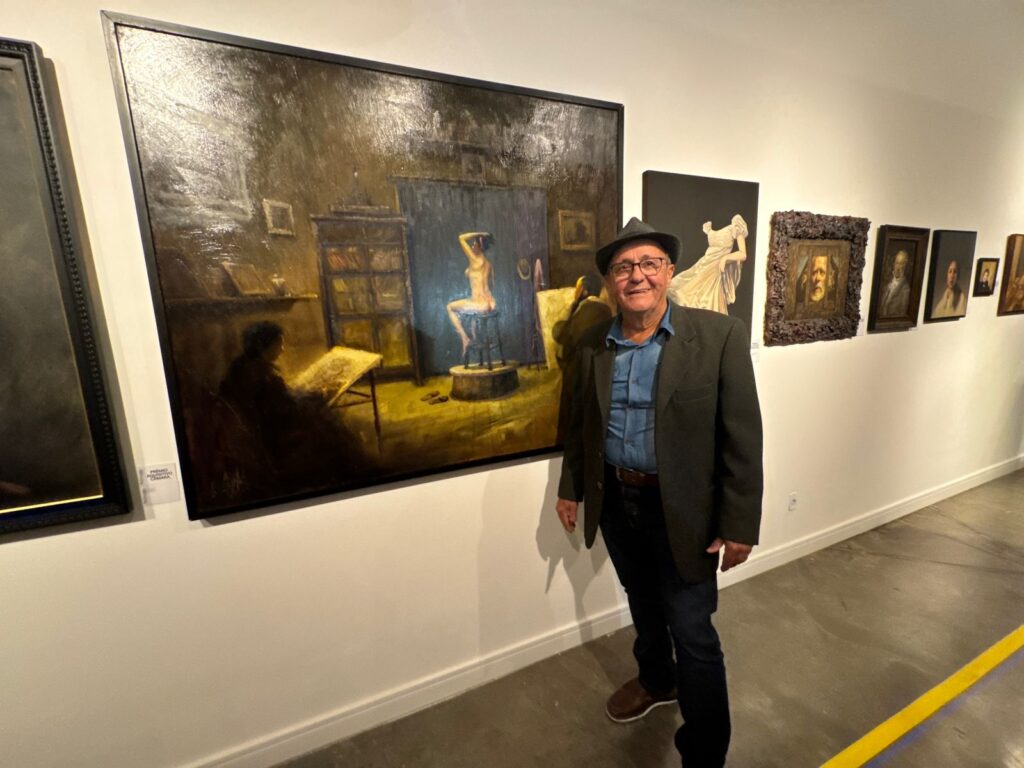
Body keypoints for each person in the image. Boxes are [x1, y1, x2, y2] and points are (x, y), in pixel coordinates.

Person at [556, 218, 763, 768]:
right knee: (643, 604)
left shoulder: (718, 337)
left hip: (686, 513)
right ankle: (655, 680)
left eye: (649, 263)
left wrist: (739, 522)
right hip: (618, 503)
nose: (637, 276)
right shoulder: (593, 345)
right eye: (623, 267)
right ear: (610, 282)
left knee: (693, 632)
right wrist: (571, 488)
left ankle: (704, 753)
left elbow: (742, 437)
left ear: (669, 272)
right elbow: (578, 425)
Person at [667, 213, 748, 315]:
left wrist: (725, 258)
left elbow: (743, 254)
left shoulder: (735, 225)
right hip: (704, 263)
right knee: (684, 292)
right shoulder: (709, 225)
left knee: (708, 301)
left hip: (716, 268)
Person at [447, 231, 497, 353]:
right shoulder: (488, 264)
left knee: (449, 307)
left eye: (475, 243)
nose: (472, 245)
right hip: (491, 303)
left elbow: (461, 237)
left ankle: (465, 338)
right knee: (472, 313)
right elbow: (492, 285)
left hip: (480, 305)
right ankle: (476, 338)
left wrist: (480, 233)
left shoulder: (474, 260)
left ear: (480, 247)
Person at [879, 249, 911, 317]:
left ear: (905, 266)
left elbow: (902, 313)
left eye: (901, 264)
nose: (898, 267)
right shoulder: (887, 284)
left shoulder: (906, 289)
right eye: (897, 263)